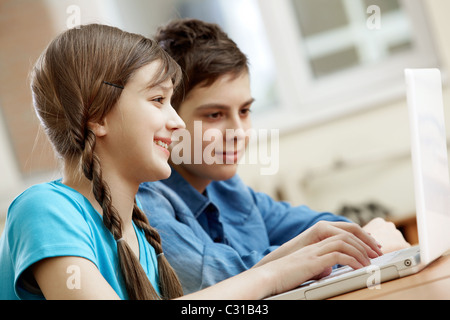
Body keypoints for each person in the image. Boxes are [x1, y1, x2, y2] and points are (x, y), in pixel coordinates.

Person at [0, 23, 383, 300]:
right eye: (157, 100)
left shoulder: (137, 233)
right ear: (97, 116)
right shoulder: (44, 211)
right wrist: (277, 274)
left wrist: (306, 250)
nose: (177, 122)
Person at [137, 18, 410, 294]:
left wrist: (357, 243)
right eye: (215, 115)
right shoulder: (145, 198)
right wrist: (347, 251)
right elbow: (216, 280)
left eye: (244, 111)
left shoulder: (226, 187)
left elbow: (324, 228)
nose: (239, 132)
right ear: (168, 117)